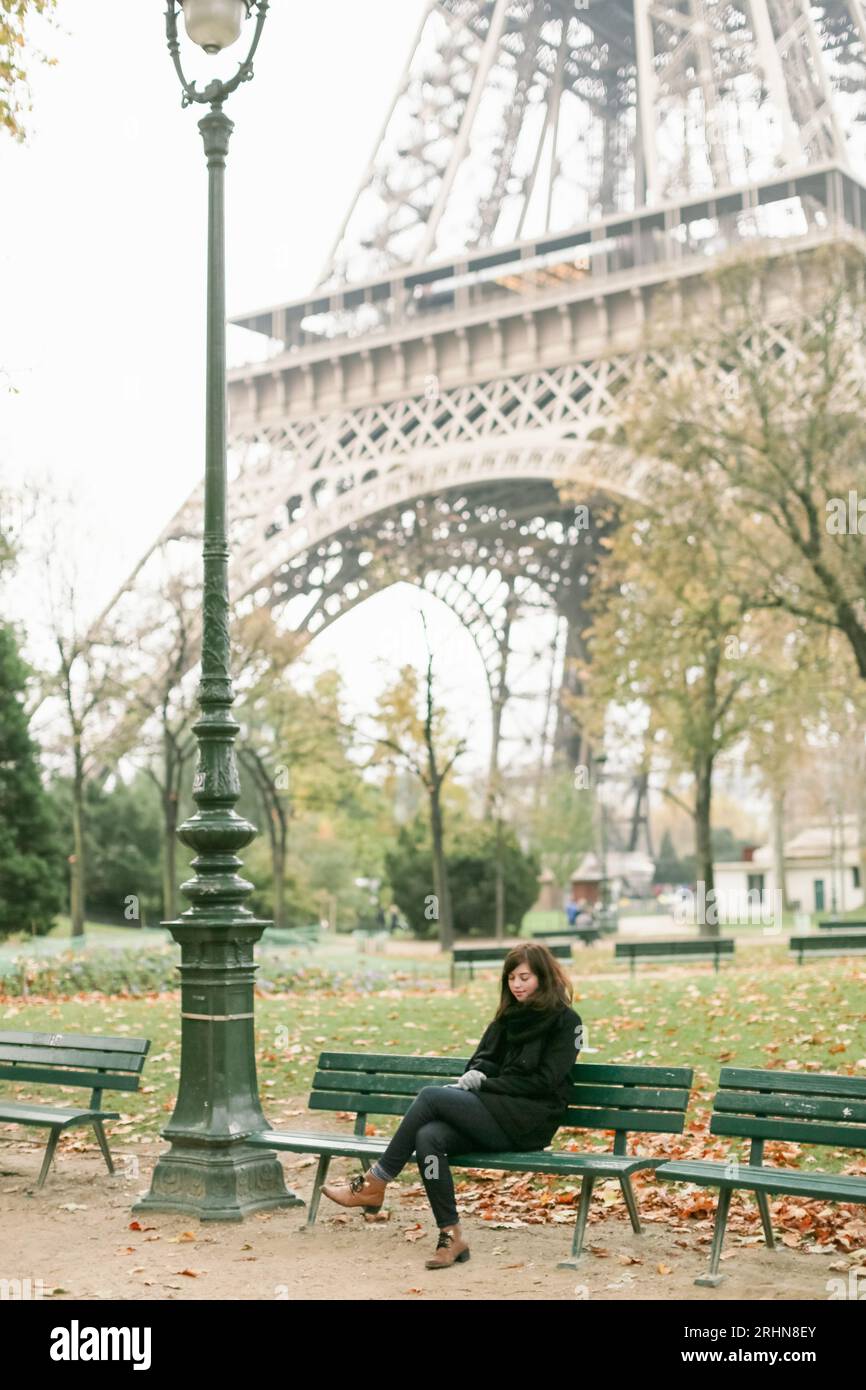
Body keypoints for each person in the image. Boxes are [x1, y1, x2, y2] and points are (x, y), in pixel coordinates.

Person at [321, 942, 582, 1269]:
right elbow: (481, 1060)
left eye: (525, 977)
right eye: (511, 977)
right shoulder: (507, 1019)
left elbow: (544, 1082)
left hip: (529, 1122)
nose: (516, 984)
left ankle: (376, 1181)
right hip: (493, 1114)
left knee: (431, 1096)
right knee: (428, 1137)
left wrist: (486, 1084)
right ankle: (451, 1235)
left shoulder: (567, 1022)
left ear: (543, 977)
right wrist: (478, 1073)